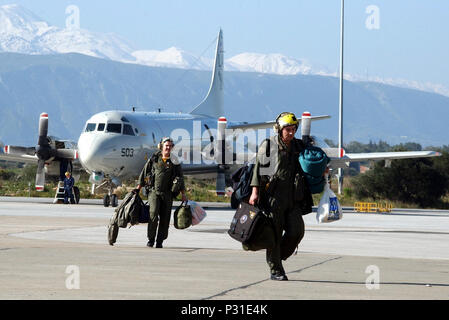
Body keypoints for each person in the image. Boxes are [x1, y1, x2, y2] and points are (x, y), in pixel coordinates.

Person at [249, 112, 313, 281]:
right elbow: (257, 170)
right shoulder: (269, 145)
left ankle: (278, 257)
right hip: (273, 198)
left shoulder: (298, 146)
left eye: (293, 130)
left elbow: (311, 160)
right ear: (279, 129)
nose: (290, 133)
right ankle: (276, 269)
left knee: (297, 231)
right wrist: (255, 192)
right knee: (274, 235)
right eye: (287, 130)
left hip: (293, 198)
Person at [136, 137, 187, 248]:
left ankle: (160, 241)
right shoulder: (154, 159)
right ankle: (151, 240)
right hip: (154, 192)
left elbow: (180, 178)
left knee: (165, 219)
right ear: (161, 147)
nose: (168, 148)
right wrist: (138, 188)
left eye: (170, 146)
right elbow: (144, 173)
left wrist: (183, 194)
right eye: (166, 146)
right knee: (153, 215)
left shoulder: (175, 161)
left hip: (168, 193)